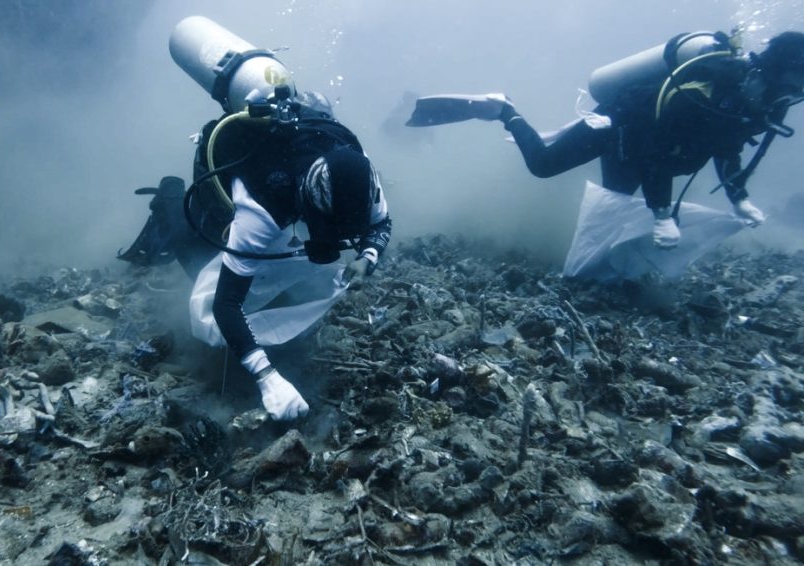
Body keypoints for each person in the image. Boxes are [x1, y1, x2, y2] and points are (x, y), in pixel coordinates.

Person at [408, 31, 804, 249]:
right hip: (616, 123)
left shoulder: (769, 103)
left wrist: (740, 198)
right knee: (544, 165)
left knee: (616, 202)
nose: (794, 94)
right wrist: (663, 215)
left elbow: (728, 146)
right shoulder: (706, 88)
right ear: (775, 69)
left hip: (640, 147)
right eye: (795, 82)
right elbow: (658, 149)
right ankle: (504, 109)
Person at [189, 88, 392, 421]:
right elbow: (225, 304)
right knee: (201, 252)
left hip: (297, 187)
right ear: (309, 207)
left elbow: (382, 224)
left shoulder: (363, 176)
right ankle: (165, 213)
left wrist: (366, 258)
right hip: (235, 187)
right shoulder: (261, 210)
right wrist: (267, 378)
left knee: (285, 256)